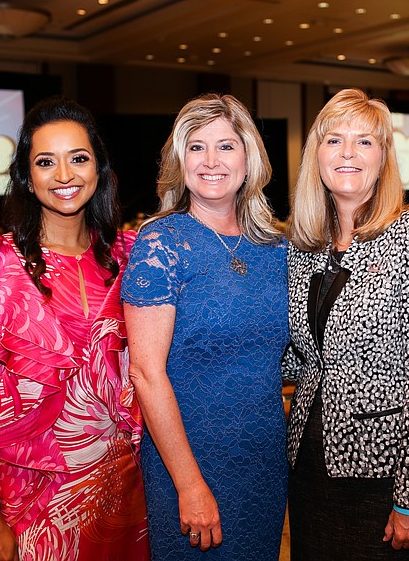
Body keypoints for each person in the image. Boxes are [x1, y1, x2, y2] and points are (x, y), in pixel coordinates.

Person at [0, 96, 149, 560]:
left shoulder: (134, 261)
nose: (65, 175)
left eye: (79, 158)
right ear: (27, 178)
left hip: (125, 499)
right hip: (29, 507)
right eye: (46, 162)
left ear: (99, 168)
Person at [282, 88, 409, 560]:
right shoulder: (305, 245)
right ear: (316, 153)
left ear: (384, 157)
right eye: (334, 140)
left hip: (383, 472)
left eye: (365, 142)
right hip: (308, 464)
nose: (348, 153)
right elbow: (304, 358)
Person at [121, 94, 288, 560]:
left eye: (226, 146)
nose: (211, 161)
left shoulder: (276, 248)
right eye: (196, 147)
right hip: (190, 462)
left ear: (249, 158)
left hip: (263, 460)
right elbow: (146, 374)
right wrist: (189, 484)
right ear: (180, 160)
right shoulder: (162, 243)